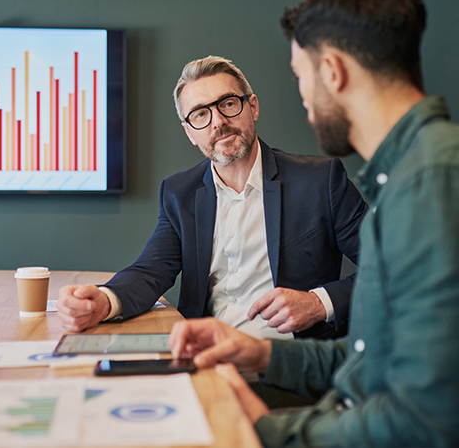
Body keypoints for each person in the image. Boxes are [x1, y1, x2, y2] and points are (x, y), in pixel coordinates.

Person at [169, 0, 459, 447]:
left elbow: (424, 419)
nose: (304, 98)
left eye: (300, 76)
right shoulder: (410, 174)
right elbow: (370, 360)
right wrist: (260, 354)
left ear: (333, 71)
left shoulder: (430, 183)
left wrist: (264, 433)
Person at [57, 56, 366, 341]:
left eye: (228, 104)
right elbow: (151, 271)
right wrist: (105, 301)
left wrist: (317, 302)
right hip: (207, 358)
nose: (217, 122)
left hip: (293, 363)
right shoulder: (180, 194)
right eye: (200, 114)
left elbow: (390, 267)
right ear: (190, 133)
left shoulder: (320, 181)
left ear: (253, 107)